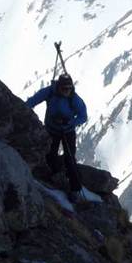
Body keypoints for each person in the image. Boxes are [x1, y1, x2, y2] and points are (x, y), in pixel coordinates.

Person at [26, 74, 87, 202]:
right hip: (53, 130)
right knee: (50, 155)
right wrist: (23, 109)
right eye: (64, 89)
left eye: (69, 89)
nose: (67, 91)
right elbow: (33, 100)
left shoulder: (74, 99)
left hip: (66, 131)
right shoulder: (50, 92)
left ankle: (75, 189)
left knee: (70, 159)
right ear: (59, 87)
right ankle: (53, 177)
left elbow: (83, 116)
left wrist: (70, 123)